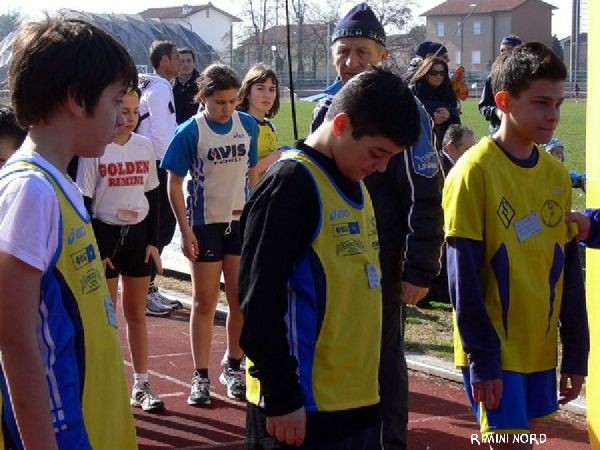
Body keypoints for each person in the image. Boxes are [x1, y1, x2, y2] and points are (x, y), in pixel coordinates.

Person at [240, 66, 421, 449]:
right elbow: (258, 303)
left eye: (391, 157)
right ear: (340, 124)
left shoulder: (358, 185)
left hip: (355, 402)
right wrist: (283, 395)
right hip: (299, 409)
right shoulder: (290, 185)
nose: (382, 166)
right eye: (377, 152)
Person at [0, 18, 138, 449]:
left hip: (98, 427)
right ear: (77, 98)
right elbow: (15, 339)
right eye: (116, 100)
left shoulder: (62, 185)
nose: (120, 117)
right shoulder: (31, 191)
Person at [310, 4, 444, 449]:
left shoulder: (406, 112)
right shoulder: (327, 107)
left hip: (382, 264)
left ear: (382, 54)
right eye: (343, 51)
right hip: (330, 264)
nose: (351, 61)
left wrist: (418, 268)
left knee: (384, 362)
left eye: (362, 51)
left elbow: (425, 193)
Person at [443, 42, 589, 447]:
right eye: (542, 102)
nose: (553, 115)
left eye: (558, 103)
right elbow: (462, 278)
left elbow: (567, 269)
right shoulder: (473, 172)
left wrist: (576, 351)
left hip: (539, 349)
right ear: (504, 100)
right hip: (494, 352)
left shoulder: (557, 176)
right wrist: (483, 358)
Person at [161, 63, 259, 406]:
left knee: (239, 300)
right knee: (205, 302)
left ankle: (233, 366)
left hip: (239, 224)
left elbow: (252, 174)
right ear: (203, 98)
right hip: (204, 225)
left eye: (233, 101)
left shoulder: (247, 126)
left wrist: (254, 218)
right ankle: (199, 376)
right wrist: (185, 230)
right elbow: (173, 183)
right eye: (220, 102)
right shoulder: (190, 131)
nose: (228, 108)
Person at [76, 86, 165, 412]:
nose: (128, 118)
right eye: (122, 111)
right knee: (106, 318)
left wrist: (154, 242)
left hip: (139, 237)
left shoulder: (143, 147)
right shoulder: (94, 150)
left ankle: (141, 384)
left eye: (133, 112)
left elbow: (154, 197)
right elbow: (84, 202)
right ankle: (107, 383)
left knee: (136, 314)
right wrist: (96, 247)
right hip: (106, 236)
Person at [137, 39, 181, 315]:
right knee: (160, 227)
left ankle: (147, 286)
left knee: (154, 227)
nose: (180, 61)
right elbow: (163, 133)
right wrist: (172, 166)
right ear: (164, 60)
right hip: (157, 164)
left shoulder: (149, 85)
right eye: (176, 57)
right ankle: (146, 289)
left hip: (147, 163)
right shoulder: (161, 87)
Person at [419, 125, 475, 308]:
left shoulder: (459, 168)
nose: (472, 155)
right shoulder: (440, 169)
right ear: (450, 147)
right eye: (467, 149)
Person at [237, 63, 282, 177]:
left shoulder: (270, 126)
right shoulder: (239, 126)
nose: (267, 95)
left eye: (272, 89)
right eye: (260, 88)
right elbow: (241, 171)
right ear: (247, 92)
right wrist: (277, 157)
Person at [410, 56, 461, 150]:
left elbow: (457, 120)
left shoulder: (449, 91)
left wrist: (449, 114)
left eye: (442, 73)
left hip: (444, 143)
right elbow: (408, 115)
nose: (438, 76)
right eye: (434, 73)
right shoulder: (414, 90)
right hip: (419, 143)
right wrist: (430, 117)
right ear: (425, 73)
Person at [479, 35, 522, 134]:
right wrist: (497, 112)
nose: (504, 53)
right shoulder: (493, 77)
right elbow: (484, 106)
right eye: (502, 50)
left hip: (524, 132)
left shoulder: (529, 77)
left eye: (509, 49)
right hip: (498, 132)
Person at [173, 47, 200, 124]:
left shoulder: (202, 84)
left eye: (189, 61)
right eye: (182, 61)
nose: (185, 64)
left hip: (195, 127)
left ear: (193, 63)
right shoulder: (170, 84)